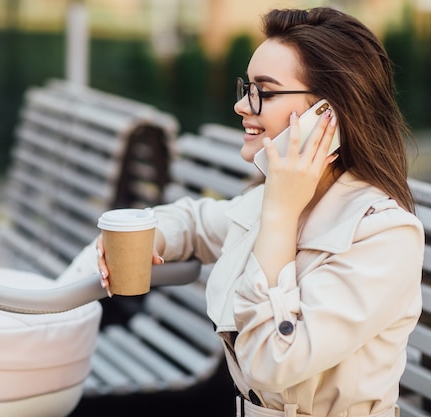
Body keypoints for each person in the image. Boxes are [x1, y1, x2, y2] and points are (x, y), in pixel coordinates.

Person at [95, 7, 424, 417]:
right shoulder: (275, 199)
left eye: (264, 92)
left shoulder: (383, 236)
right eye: (246, 88)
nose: (242, 106)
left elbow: (272, 362)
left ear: (327, 113)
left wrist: (280, 217)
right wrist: (148, 234)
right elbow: (197, 222)